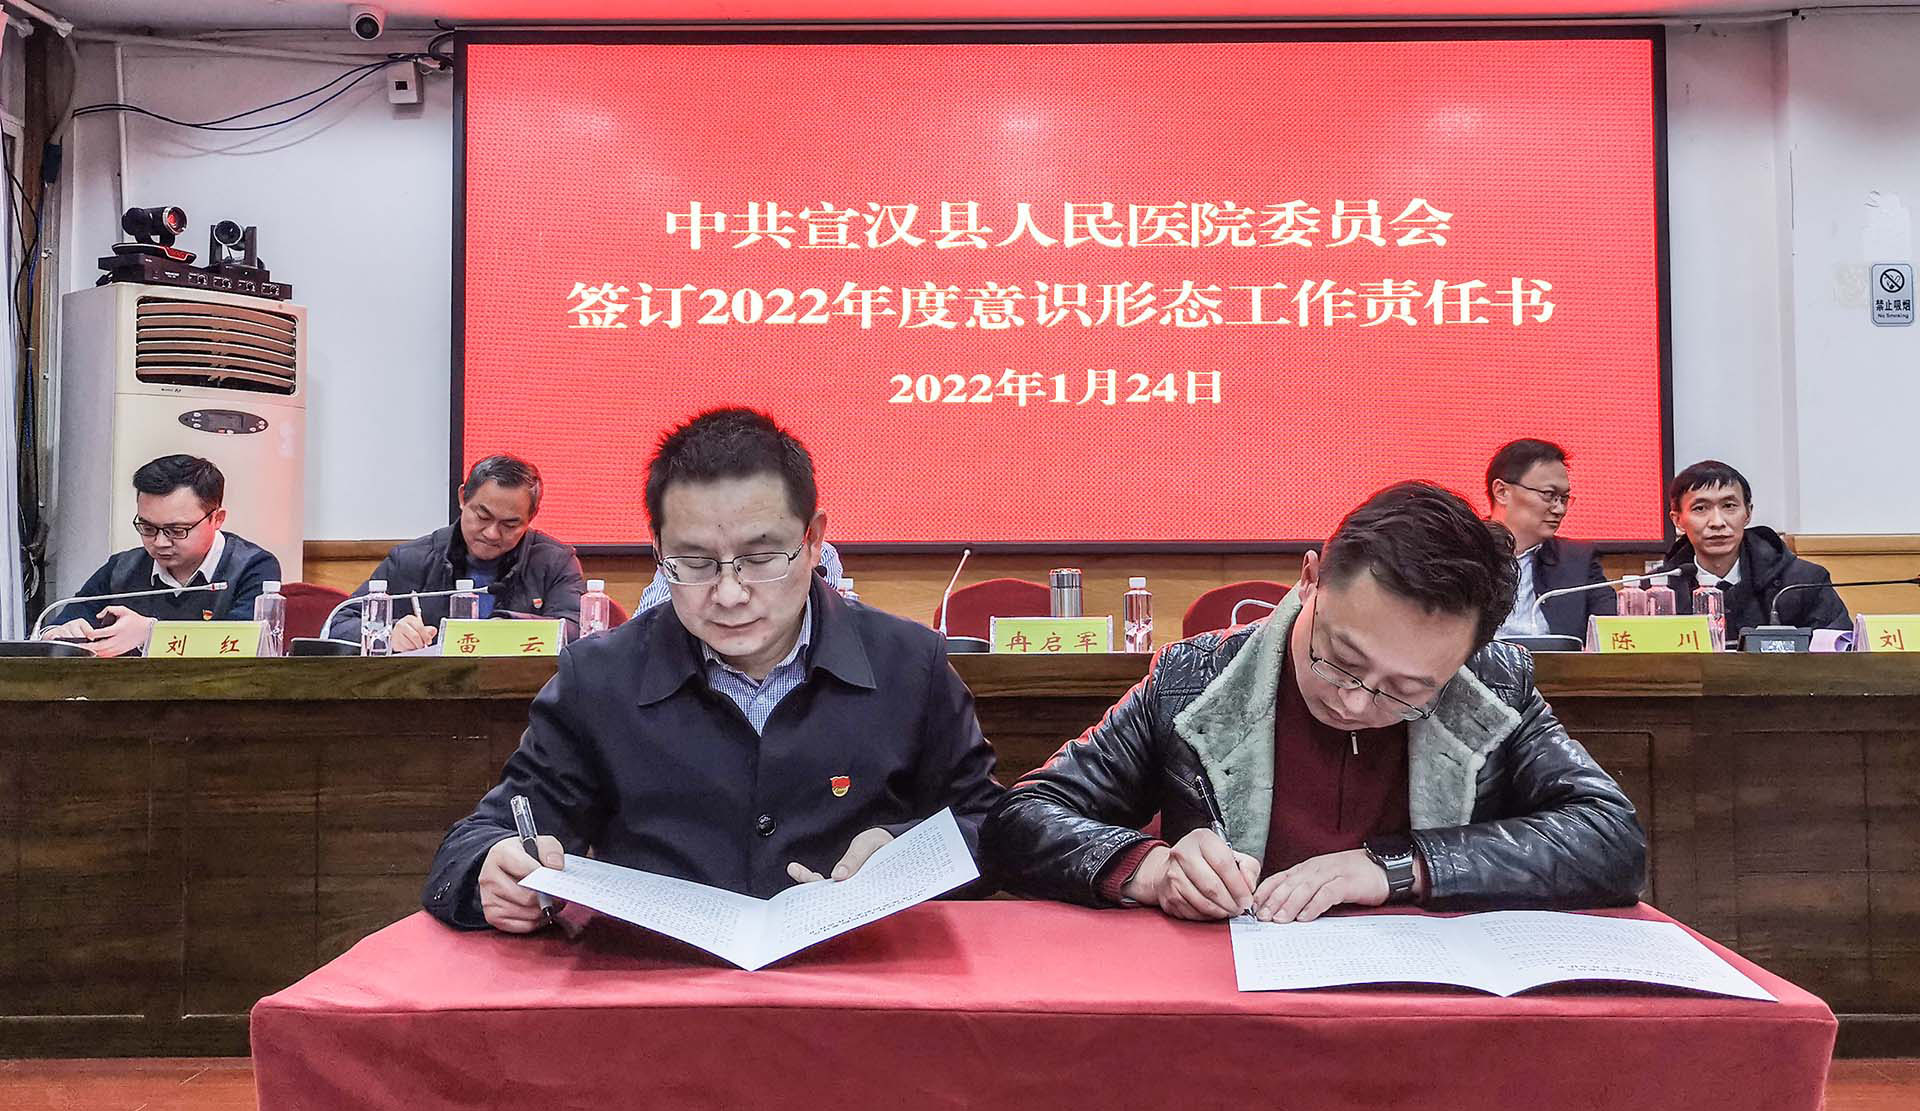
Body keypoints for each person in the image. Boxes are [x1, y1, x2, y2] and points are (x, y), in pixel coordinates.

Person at [423, 408, 1003, 933]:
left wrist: (906, 850)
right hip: (658, 989)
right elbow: (483, 835)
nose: (729, 594)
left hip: (859, 987)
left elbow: (991, 826)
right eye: (694, 562)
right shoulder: (599, 679)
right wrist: (489, 868)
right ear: (658, 551)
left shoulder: (910, 665)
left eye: (761, 558)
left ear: (813, 540)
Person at [984, 481, 1645, 923]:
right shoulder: (1196, 677)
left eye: (1406, 690)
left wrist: (1399, 866)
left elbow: (1610, 837)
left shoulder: (1491, 686)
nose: (1356, 703)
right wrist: (1151, 868)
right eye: (1341, 660)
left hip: (1430, 1008)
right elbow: (1022, 819)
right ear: (1310, 580)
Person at [327, 454, 586, 650]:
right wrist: (389, 634)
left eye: (510, 525)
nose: (492, 533)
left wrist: (506, 629)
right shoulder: (411, 560)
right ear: (463, 498)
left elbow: (578, 631)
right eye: (483, 516)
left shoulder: (554, 562)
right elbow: (338, 623)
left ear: (531, 517)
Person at [40, 454, 281, 657]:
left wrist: (151, 634)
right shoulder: (123, 568)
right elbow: (61, 622)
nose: (159, 542)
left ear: (217, 519)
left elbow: (243, 646)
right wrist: (57, 634)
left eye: (177, 530)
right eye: (147, 527)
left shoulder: (253, 566)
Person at [1663, 460, 1850, 634]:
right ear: (1677, 520)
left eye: (1729, 506)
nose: (1717, 522)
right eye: (1700, 508)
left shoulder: (1804, 582)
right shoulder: (1658, 590)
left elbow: (1837, 648)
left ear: (1748, 513)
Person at [1484, 438, 1616, 641]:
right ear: (1502, 492)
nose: (1559, 509)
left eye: (1564, 498)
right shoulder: (1459, 553)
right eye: (1548, 494)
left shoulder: (1577, 561)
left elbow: (1609, 632)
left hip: (1554, 661)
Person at [635, 540, 854, 613]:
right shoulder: (680, 558)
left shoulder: (818, 554)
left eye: (761, 560)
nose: (729, 597)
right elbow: (644, 641)